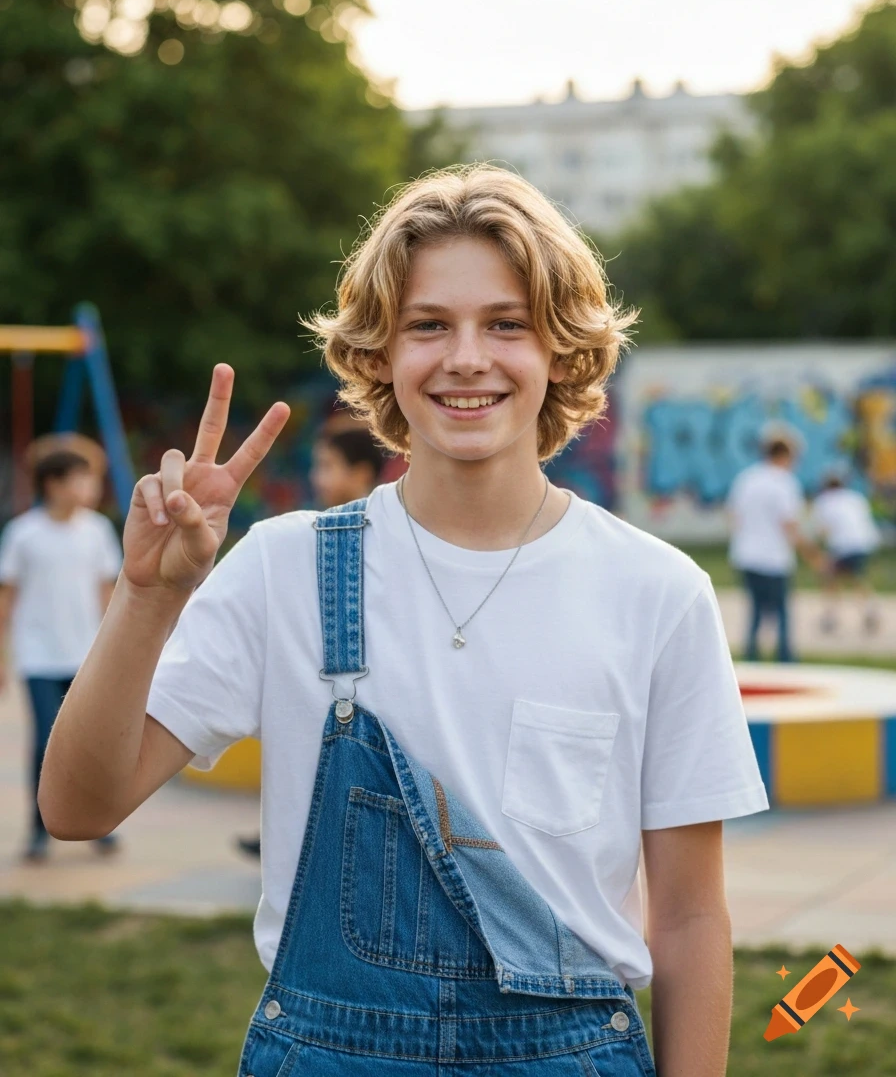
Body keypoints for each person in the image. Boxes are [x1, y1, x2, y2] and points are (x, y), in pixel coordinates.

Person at [39, 166, 769, 1076]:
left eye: (506, 323)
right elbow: (76, 807)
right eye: (430, 325)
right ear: (380, 355)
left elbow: (693, 916)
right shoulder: (284, 567)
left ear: (562, 349)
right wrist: (149, 598)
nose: (467, 356)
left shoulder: (658, 592)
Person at [235, 425, 387, 860]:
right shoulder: (306, 534)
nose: (317, 477)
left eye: (327, 466)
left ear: (361, 473)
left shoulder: (376, 534)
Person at [0, 447, 123, 861]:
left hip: (87, 657)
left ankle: (97, 821)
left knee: (93, 745)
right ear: (53, 484)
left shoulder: (97, 531)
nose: (89, 488)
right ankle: (39, 829)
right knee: (44, 743)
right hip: (37, 657)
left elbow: (108, 597)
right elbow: (7, 601)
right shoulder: (23, 533)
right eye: (80, 479)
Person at [726, 434, 818, 662]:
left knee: (755, 610)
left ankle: (751, 658)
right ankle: (785, 659)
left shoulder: (746, 478)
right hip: (774, 558)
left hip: (746, 554)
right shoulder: (784, 482)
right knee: (781, 613)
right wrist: (810, 553)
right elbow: (789, 524)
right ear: (785, 455)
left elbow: (733, 515)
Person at [810, 468, 882, 635]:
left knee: (830, 578)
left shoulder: (825, 501)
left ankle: (830, 616)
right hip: (864, 543)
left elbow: (822, 530)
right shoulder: (855, 498)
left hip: (843, 545)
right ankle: (869, 610)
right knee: (856, 578)